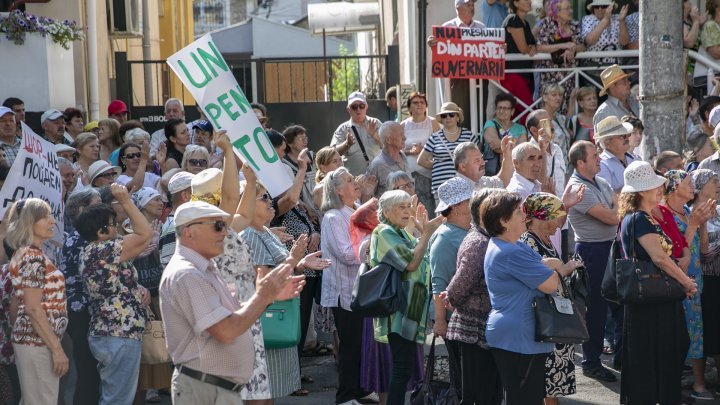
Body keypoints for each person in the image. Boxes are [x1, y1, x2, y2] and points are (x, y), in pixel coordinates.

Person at [159, 200, 305, 403]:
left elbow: (231, 314)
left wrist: (267, 297)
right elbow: (226, 331)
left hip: (215, 388)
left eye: (225, 226)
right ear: (188, 232)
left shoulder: (203, 268)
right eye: (217, 226)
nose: (225, 233)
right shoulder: (187, 274)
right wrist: (263, 296)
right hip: (205, 390)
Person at [482, 190, 580, 404]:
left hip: (516, 333)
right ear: (503, 221)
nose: (524, 215)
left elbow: (545, 264)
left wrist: (551, 267)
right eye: (518, 212)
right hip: (518, 337)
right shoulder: (511, 251)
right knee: (524, 399)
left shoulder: (511, 245)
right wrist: (558, 269)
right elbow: (550, 283)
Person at [616, 161, 697, 405]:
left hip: (654, 298)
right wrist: (686, 282)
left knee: (661, 356)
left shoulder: (643, 217)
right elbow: (660, 257)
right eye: (654, 185)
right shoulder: (639, 219)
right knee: (652, 359)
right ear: (641, 191)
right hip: (650, 300)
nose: (659, 189)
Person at [243, 182, 330, 400]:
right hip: (267, 318)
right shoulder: (251, 235)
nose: (270, 202)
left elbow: (281, 266)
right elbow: (264, 279)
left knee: (267, 392)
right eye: (263, 198)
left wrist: (301, 263)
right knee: (261, 393)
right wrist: (294, 261)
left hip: (279, 312)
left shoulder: (263, 231)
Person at [76, 184, 153, 404]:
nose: (117, 229)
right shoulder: (103, 249)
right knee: (117, 400)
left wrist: (139, 289)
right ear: (100, 232)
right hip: (118, 332)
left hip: (110, 332)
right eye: (112, 225)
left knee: (113, 396)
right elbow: (145, 233)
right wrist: (126, 201)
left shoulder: (95, 251)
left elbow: (117, 283)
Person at [371, 190, 444, 405]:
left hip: (410, 308)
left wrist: (422, 230)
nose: (407, 211)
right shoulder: (383, 232)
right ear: (385, 211)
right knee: (402, 367)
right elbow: (411, 263)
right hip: (398, 309)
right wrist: (426, 233)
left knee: (405, 368)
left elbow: (423, 257)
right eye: (401, 207)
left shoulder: (401, 232)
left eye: (407, 206)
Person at [565, 140, 619, 383]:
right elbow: (611, 217)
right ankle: (591, 362)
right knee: (596, 309)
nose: (599, 158)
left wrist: (617, 209)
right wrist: (617, 210)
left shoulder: (601, 181)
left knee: (617, 304)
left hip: (608, 248)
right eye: (594, 155)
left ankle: (619, 355)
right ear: (580, 162)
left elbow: (617, 206)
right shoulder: (579, 188)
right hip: (592, 252)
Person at [660, 170, 716, 400]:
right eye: (687, 182)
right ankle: (672, 385)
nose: (692, 185)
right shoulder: (663, 214)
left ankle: (698, 384)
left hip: (695, 282)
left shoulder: (688, 212)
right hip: (675, 283)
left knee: (696, 334)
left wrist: (702, 223)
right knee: (674, 336)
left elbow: (703, 251)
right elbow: (673, 252)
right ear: (674, 188)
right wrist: (693, 224)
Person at [6, 198, 68, 404]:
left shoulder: (27, 253)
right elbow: (32, 308)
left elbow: (17, 303)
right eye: (45, 217)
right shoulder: (32, 256)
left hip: (34, 340)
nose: (53, 221)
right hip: (38, 342)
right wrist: (56, 349)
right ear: (29, 222)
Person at [446, 189, 502, 405]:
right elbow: (458, 287)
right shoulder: (478, 242)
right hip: (472, 331)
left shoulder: (489, 238)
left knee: (490, 393)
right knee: (477, 395)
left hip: (486, 330)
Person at [519, 192, 576, 404]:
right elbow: (538, 277)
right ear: (541, 218)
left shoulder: (548, 239)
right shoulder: (528, 241)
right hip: (543, 320)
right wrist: (566, 268)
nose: (561, 221)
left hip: (556, 317)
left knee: (553, 384)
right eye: (556, 216)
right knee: (545, 381)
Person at [319, 167, 366, 404]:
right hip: (343, 289)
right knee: (349, 346)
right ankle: (345, 396)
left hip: (359, 288)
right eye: (349, 180)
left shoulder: (355, 210)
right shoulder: (333, 217)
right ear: (338, 190)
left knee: (360, 343)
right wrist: (372, 241)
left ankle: (359, 390)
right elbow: (347, 255)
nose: (355, 181)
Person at [428, 177, 474, 399]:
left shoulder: (467, 228)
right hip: (453, 319)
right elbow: (439, 283)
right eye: (469, 198)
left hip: (468, 317)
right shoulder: (444, 238)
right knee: (463, 380)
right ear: (456, 206)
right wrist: (440, 321)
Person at [425, 0, 485, 119]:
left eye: (473, 5)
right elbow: (441, 53)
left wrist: (499, 47)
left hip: (479, 77)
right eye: (468, 5)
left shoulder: (481, 27)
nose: (472, 7)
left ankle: (477, 136)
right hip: (458, 78)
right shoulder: (447, 27)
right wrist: (433, 46)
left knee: (480, 112)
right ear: (458, 8)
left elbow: (488, 49)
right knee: (459, 110)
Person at [417, 102, 479, 198]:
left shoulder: (469, 136)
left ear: (457, 117)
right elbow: (421, 160)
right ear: (441, 119)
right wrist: (439, 164)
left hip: (464, 184)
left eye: (451, 115)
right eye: (444, 116)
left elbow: (477, 158)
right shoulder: (435, 137)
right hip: (441, 186)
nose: (448, 118)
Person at [694, 169, 720, 399]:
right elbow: (706, 254)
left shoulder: (719, 210)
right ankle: (699, 383)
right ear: (701, 186)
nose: (719, 184)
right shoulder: (692, 213)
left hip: (718, 281)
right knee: (703, 333)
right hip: (704, 282)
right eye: (714, 181)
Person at [535, 0, 586, 115]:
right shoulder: (547, 24)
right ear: (557, 11)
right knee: (549, 109)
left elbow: (582, 46)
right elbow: (540, 47)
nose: (571, 11)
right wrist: (563, 45)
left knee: (569, 109)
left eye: (571, 8)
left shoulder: (574, 24)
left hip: (570, 76)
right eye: (567, 9)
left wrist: (572, 49)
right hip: (551, 76)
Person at [400, 92, 440, 215]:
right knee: (411, 206)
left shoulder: (432, 122)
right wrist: (408, 151)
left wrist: (424, 148)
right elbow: (397, 149)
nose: (419, 105)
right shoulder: (403, 125)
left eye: (422, 102)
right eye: (415, 103)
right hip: (409, 173)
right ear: (409, 107)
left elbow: (440, 146)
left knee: (428, 208)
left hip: (428, 172)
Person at [331, 92, 383, 176]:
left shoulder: (376, 123)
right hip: (354, 180)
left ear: (366, 107)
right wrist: (346, 144)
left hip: (378, 176)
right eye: (354, 107)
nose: (358, 109)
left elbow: (388, 146)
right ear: (348, 109)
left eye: (361, 106)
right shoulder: (343, 129)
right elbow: (332, 153)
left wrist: (375, 135)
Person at [501, 0, 537, 122]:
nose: (529, 2)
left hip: (524, 73)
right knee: (530, 111)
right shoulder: (513, 19)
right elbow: (523, 48)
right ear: (515, 3)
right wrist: (530, 48)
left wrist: (531, 48)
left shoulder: (525, 23)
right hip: (513, 74)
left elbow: (531, 46)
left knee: (520, 114)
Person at [481, 92, 528, 176]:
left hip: (514, 173)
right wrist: (515, 143)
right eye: (499, 108)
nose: (502, 111)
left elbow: (522, 151)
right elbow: (494, 144)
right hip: (493, 172)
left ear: (512, 111)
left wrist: (502, 146)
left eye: (505, 108)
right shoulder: (490, 124)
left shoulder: (520, 128)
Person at [580, 1, 629, 81]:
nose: (600, 9)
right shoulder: (588, 19)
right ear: (593, 9)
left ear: (610, 8)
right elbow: (590, 40)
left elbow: (624, 42)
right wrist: (605, 19)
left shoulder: (617, 18)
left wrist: (622, 21)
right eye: (596, 7)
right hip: (595, 68)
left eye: (603, 6)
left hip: (616, 68)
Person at [159, 171, 195, 266]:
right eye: (197, 191)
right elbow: (169, 265)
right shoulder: (175, 226)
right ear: (186, 196)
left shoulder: (179, 223)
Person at [366, 122, 409, 197]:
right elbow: (367, 195)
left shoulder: (402, 155)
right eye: (401, 135)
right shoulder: (377, 165)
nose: (405, 137)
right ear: (388, 140)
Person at [282, 125, 319, 212]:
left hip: (318, 201)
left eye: (305, 137)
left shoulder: (312, 155)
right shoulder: (284, 163)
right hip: (300, 207)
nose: (305, 140)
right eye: (300, 138)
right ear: (289, 143)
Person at [596, 116, 635, 193]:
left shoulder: (635, 158)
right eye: (622, 136)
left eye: (628, 135)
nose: (627, 138)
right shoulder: (601, 165)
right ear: (607, 143)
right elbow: (607, 195)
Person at [539, 85, 573, 161]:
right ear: (544, 98)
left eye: (560, 95)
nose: (558, 98)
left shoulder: (561, 118)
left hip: (565, 166)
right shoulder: (541, 118)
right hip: (551, 166)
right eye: (554, 95)